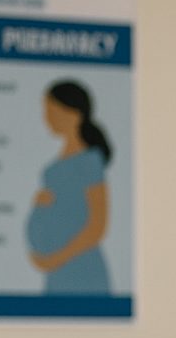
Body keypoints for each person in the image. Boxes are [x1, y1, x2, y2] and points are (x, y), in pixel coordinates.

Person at [26, 81, 113, 295]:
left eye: (51, 111)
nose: (46, 118)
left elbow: (97, 225)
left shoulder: (89, 162)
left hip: (82, 269)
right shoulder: (55, 167)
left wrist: (56, 259)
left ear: (74, 114)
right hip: (58, 273)